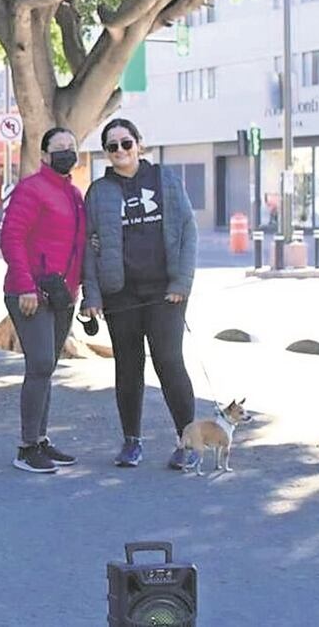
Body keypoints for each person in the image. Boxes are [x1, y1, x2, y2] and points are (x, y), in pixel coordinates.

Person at [81, 118, 199, 470]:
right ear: (106, 152)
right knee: (128, 368)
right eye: (112, 146)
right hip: (121, 295)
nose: (120, 151)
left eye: (126, 143)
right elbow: (88, 245)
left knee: (169, 362)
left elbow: (188, 231)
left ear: (139, 145)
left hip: (166, 293)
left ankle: (187, 441)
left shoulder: (166, 179)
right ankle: (132, 441)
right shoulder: (99, 191)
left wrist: (182, 283)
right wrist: (93, 296)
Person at [0, 127, 86, 473]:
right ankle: (26, 447)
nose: (67, 152)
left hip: (63, 296)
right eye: (59, 148)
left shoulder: (75, 194)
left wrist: (82, 291)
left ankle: (41, 439)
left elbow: (79, 247)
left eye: (72, 146)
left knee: (47, 368)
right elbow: (12, 238)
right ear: (45, 156)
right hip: (30, 294)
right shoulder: (31, 189)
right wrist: (24, 286)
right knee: (38, 365)